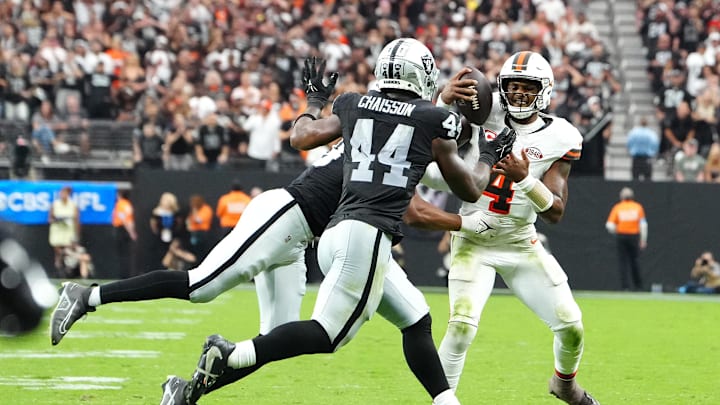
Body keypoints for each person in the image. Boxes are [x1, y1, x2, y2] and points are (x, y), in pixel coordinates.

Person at [49, 51, 513, 405]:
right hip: (291, 213)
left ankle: (187, 390)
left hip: (325, 232)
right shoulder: (405, 124)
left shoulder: (371, 113)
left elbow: (402, 127)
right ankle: (87, 296)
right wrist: (471, 191)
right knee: (204, 285)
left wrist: (318, 101)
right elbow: (416, 144)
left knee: (393, 320)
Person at [183, 42, 513, 405]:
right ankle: (228, 354)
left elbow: (306, 136)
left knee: (416, 318)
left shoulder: (355, 103)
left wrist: (312, 102)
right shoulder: (436, 121)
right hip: (368, 234)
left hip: (336, 229)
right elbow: (469, 188)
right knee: (328, 334)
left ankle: (446, 401)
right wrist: (488, 153)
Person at [422, 51, 600, 405]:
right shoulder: (479, 116)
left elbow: (556, 211)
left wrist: (524, 181)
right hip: (474, 239)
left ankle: (564, 385)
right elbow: (423, 129)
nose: (519, 94)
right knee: (460, 327)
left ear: (545, 91)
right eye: (512, 86)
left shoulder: (560, 135)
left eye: (528, 87)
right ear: (499, 88)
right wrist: (442, 99)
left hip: (520, 242)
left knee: (571, 327)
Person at [605, 187, 648, 291]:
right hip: (634, 236)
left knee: (623, 262)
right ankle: (639, 286)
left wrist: (617, 230)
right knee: (635, 261)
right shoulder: (638, 207)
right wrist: (643, 240)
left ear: (622, 197)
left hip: (621, 236)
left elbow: (609, 225)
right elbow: (643, 225)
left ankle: (625, 287)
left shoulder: (618, 207)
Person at [48, 186, 80, 276]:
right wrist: (58, 220)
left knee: (68, 252)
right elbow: (50, 219)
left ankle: (68, 272)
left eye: (65, 193)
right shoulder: (55, 204)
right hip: (57, 231)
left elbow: (76, 220)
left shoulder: (73, 205)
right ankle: (58, 271)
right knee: (58, 253)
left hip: (68, 232)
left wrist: (77, 235)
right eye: (62, 192)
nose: (63, 195)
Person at [111, 189, 137, 278]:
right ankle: (126, 274)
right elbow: (130, 221)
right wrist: (132, 231)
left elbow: (124, 219)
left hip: (122, 230)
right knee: (126, 254)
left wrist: (131, 232)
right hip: (125, 230)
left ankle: (123, 275)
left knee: (122, 255)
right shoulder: (128, 204)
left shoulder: (121, 204)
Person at [626, 116, 660, 181]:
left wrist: (632, 151)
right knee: (647, 182)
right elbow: (655, 145)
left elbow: (629, 144)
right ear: (647, 124)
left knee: (635, 181)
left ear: (640, 123)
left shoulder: (633, 132)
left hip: (636, 159)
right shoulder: (651, 134)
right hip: (647, 159)